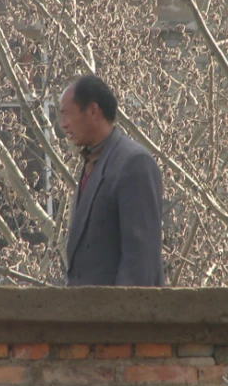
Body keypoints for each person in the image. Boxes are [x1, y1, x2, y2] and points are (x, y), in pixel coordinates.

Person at [59, 75, 164, 286]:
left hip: (116, 315)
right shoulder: (92, 161)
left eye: (66, 115)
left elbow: (140, 265)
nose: (63, 125)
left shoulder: (134, 163)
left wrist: (120, 317)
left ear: (92, 111)